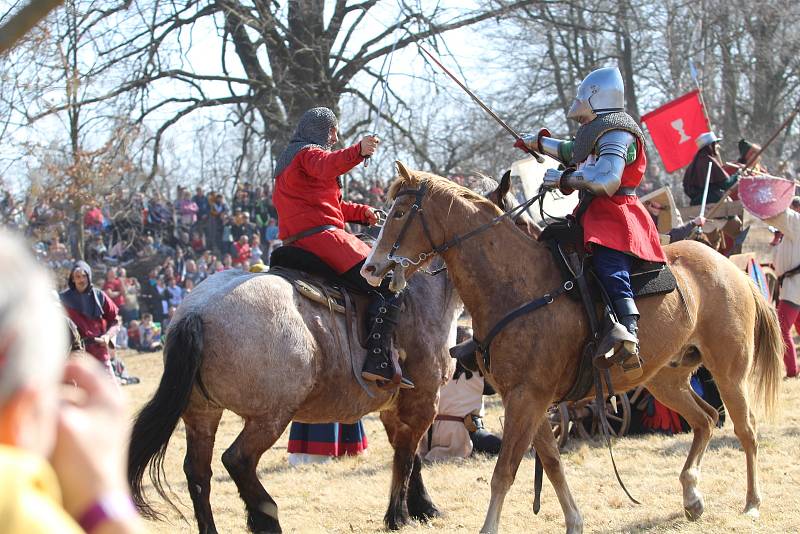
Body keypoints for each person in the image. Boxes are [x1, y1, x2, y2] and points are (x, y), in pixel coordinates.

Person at [519, 66, 666, 376]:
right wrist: (537, 142)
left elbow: (606, 180)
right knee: (549, 248)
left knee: (608, 261)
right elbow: (571, 151)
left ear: (596, 97)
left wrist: (564, 179)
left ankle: (629, 335)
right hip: (589, 213)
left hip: (615, 213)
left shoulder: (619, 132)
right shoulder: (596, 130)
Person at [0, 231, 143, 533]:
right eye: (75, 275)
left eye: (82, 275)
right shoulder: (17, 506)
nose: (78, 279)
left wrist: (103, 341)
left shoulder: (97, 300)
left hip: (90, 354)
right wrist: (103, 503)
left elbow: (86, 338)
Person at [272, 106, 412, 387]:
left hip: (303, 238)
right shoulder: (308, 154)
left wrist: (363, 213)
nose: (335, 137)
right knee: (389, 284)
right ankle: (377, 360)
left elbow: (330, 207)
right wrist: (359, 150)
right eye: (333, 130)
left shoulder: (293, 161)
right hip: (322, 240)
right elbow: (328, 165)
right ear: (320, 129)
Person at [60, 261, 120, 379]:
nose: (81, 280)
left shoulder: (99, 296)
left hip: (99, 352)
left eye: (84, 276)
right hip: (76, 355)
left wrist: (107, 336)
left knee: (111, 392)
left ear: (89, 277)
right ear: (72, 279)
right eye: (78, 277)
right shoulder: (63, 300)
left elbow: (115, 321)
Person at [762, 196, 800, 377]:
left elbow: (782, 214)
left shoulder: (798, 223)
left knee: (780, 328)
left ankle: (792, 371)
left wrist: (771, 198)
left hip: (795, 287)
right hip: (791, 286)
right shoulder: (791, 231)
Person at [682, 132, 736, 206]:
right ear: (710, 145)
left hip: (695, 203)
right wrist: (738, 175)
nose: (718, 146)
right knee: (730, 205)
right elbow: (726, 184)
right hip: (712, 200)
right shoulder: (709, 160)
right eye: (716, 144)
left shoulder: (693, 163)